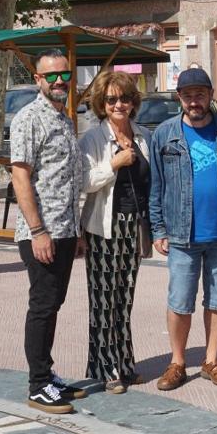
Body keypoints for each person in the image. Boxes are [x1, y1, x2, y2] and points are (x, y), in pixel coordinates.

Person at [149, 68, 217, 391]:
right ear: (179, 98)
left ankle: (212, 360)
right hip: (181, 234)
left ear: (210, 94)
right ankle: (177, 362)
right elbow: (156, 185)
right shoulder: (164, 134)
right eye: (188, 95)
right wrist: (157, 228)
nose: (194, 101)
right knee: (180, 301)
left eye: (200, 94)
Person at [10, 49, 87, 414]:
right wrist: (38, 230)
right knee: (42, 305)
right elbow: (21, 175)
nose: (59, 81)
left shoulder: (64, 118)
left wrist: (76, 230)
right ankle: (37, 384)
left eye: (65, 75)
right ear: (38, 80)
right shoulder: (29, 119)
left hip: (65, 228)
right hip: (42, 231)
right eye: (51, 76)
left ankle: (47, 373)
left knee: (53, 303)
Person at [78, 70, 151, 393]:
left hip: (133, 226)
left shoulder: (143, 135)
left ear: (133, 102)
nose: (118, 104)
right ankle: (104, 367)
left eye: (124, 98)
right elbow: (85, 181)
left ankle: (124, 363)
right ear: (101, 104)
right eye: (111, 100)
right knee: (103, 301)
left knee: (125, 298)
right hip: (103, 227)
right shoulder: (93, 139)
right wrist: (115, 164)